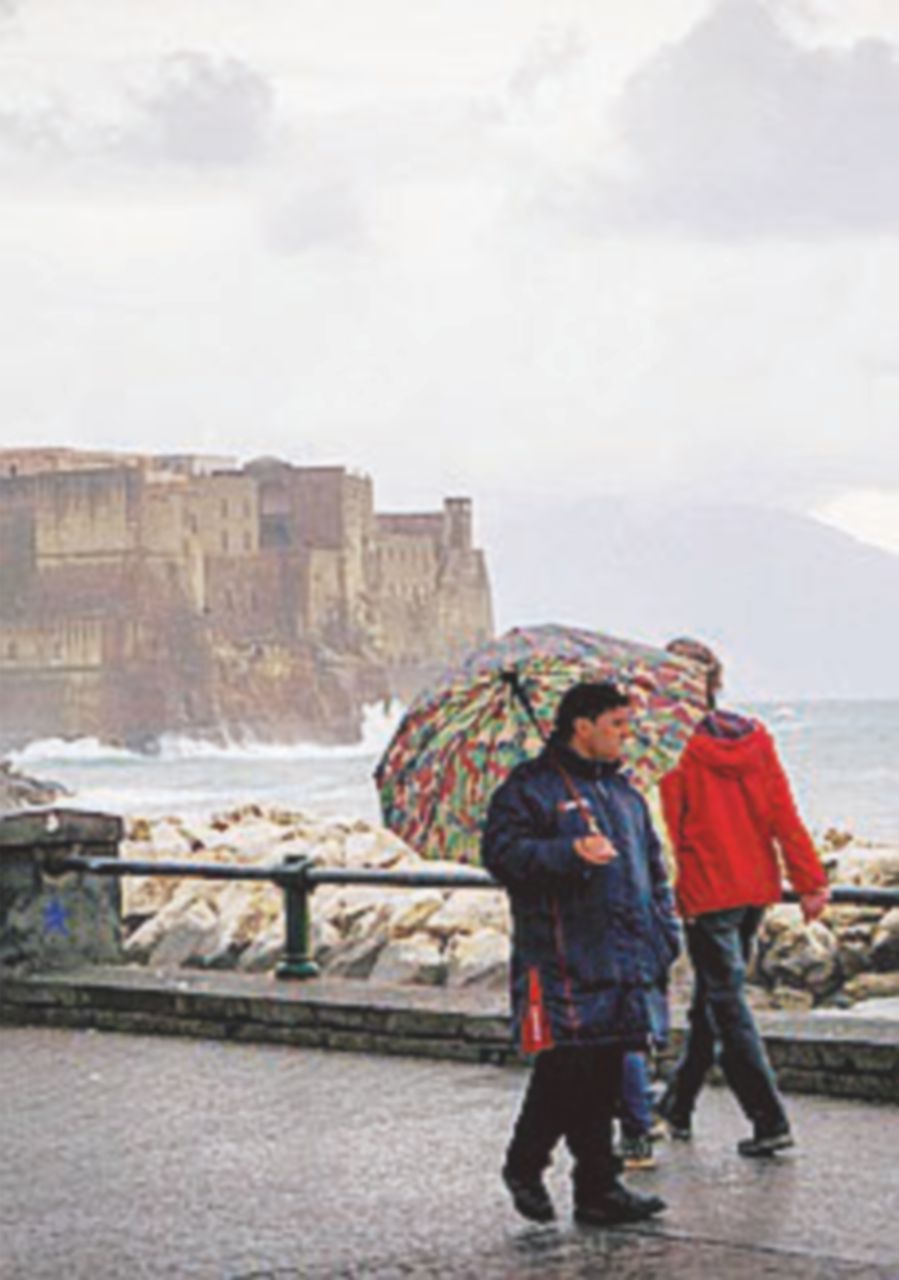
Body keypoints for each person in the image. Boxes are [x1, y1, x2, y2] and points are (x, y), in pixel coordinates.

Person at [482, 681, 680, 1226]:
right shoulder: (529, 790)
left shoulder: (625, 795)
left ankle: (598, 1187)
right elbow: (502, 855)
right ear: (582, 725)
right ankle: (524, 1164)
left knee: (608, 1066)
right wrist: (570, 851)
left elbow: (655, 872)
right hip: (563, 956)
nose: (626, 735)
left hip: (627, 956)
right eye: (617, 724)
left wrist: (665, 934)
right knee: (566, 1066)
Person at [658, 638, 830, 1157]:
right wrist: (809, 880)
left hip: (708, 892)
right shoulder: (754, 736)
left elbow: (673, 828)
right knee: (712, 1002)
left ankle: (769, 1118)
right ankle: (677, 1106)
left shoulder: (674, 746)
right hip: (756, 887)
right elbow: (782, 812)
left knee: (726, 1004)